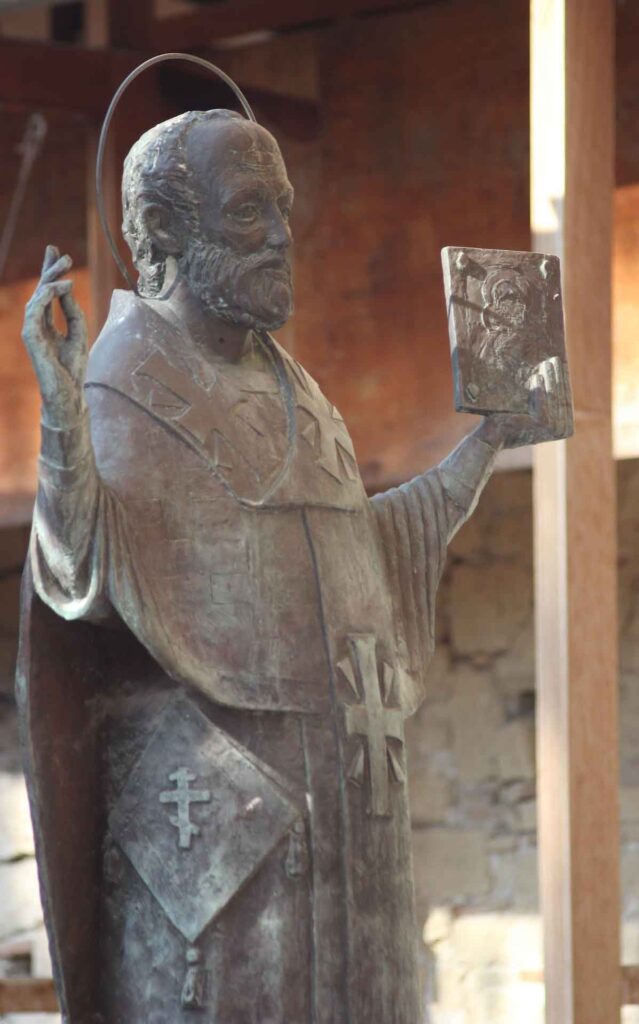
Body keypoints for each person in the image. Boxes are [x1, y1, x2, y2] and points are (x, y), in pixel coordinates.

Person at [19, 109, 564, 1024]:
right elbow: (80, 574)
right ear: (161, 232)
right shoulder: (119, 387)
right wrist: (63, 420)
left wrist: (485, 446)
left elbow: (361, 550)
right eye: (246, 214)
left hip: (350, 821)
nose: (281, 236)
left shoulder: (300, 392)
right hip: (224, 849)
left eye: (283, 208)